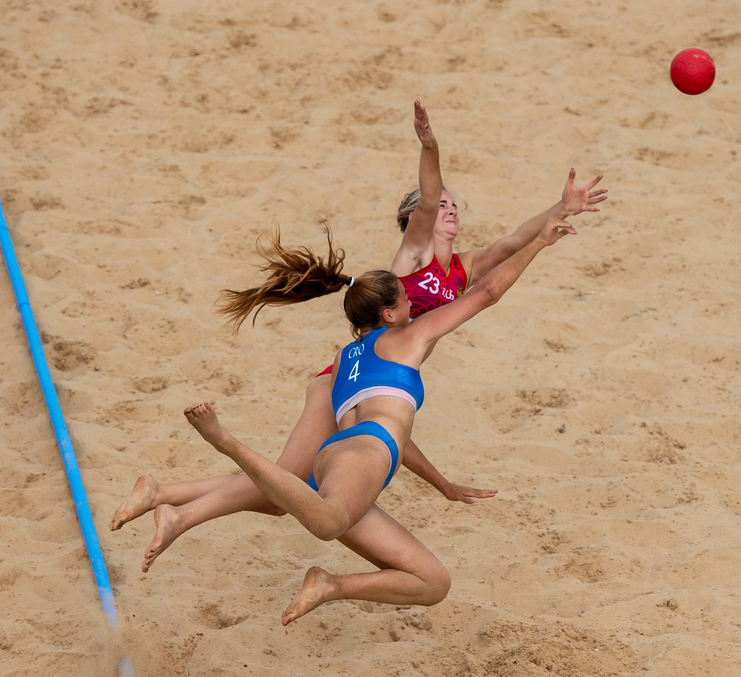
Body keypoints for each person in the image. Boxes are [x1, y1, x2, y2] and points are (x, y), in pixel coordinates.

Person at [109, 102, 606, 573]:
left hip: (372, 376)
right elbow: (430, 196)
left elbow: (515, 242)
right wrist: (429, 145)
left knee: (286, 495)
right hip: (342, 381)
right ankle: (169, 505)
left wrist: (561, 209)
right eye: (443, 206)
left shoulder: (463, 267)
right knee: (282, 486)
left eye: (457, 207)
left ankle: (163, 494)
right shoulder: (413, 255)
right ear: (418, 220)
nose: (451, 210)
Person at [181, 210, 578, 625]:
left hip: (347, 457)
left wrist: (443, 484)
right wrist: (539, 244)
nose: (416, 307)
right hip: (363, 456)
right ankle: (222, 440)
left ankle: (331, 584)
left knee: (432, 582)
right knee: (326, 522)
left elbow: (391, 427)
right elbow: (488, 293)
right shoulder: (409, 337)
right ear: (389, 314)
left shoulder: (345, 357)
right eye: (408, 302)